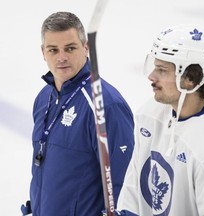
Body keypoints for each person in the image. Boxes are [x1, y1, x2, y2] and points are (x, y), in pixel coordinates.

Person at [112, 24, 204, 215]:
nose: (151, 76)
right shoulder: (151, 113)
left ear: (191, 77)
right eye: (153, 66)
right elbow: (133, 196)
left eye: (162, 70)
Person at [21, 11, 134, 216]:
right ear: (43, 52)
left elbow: (126, 186)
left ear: (85, 48)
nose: (61, 57)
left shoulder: (105, 105)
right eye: (53, 50)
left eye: (70, 48)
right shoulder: (44, 98)